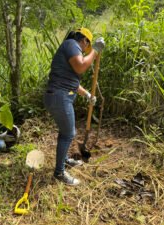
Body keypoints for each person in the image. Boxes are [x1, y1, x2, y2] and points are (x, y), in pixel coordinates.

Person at [43, 28, 105, 185]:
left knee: (65, 132)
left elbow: (72, 82)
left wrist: (88, 95)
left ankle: (64, 161)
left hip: (59, 95)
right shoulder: (71, 44)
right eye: (88, 47)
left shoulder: (69, 49)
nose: (86, 51)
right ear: (84, 40)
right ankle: (59, 173)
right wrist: (96, 51)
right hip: (60, 97)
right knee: (69, 133)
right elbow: (81, 67)